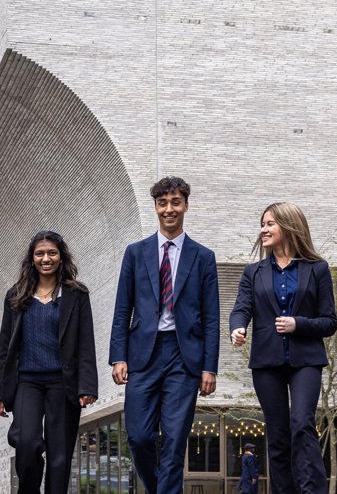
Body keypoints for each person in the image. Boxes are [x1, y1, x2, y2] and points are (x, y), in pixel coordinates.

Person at [109, 176, 220, 494]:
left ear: (185, 205)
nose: (169, 209)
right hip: (143, 354)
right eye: (162, 203)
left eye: (175, 202)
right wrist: (118, 355)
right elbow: (122, 308)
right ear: (155, 207)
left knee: (174, 439)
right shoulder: (135, 253)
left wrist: (209, 367)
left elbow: (212, 318)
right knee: (140, 437)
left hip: (183, 357)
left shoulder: (203, 257)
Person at [230, 202, 337, 494]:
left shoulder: (317, 269)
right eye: (262, 224)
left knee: (302, 423)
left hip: (306, 360)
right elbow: (241, 308)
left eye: (269, 224)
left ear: (289, 226)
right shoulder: (254, 272)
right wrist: (237, 327)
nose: (263, 230)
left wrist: (298, 324)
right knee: (277, 434)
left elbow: (329, 322)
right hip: (266, 362)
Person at [0, 230, 98, 493]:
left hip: (63, 383)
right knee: (27, 445)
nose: (46, 258)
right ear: (32, 258)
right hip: (27, 383)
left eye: (52, 252)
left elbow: (86, 342)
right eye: (39, 253)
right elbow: (5, 347)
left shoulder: (76, 294)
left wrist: (87, 386)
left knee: (59, 458)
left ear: (61, 257)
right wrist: (0, 392)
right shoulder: (15, 296)